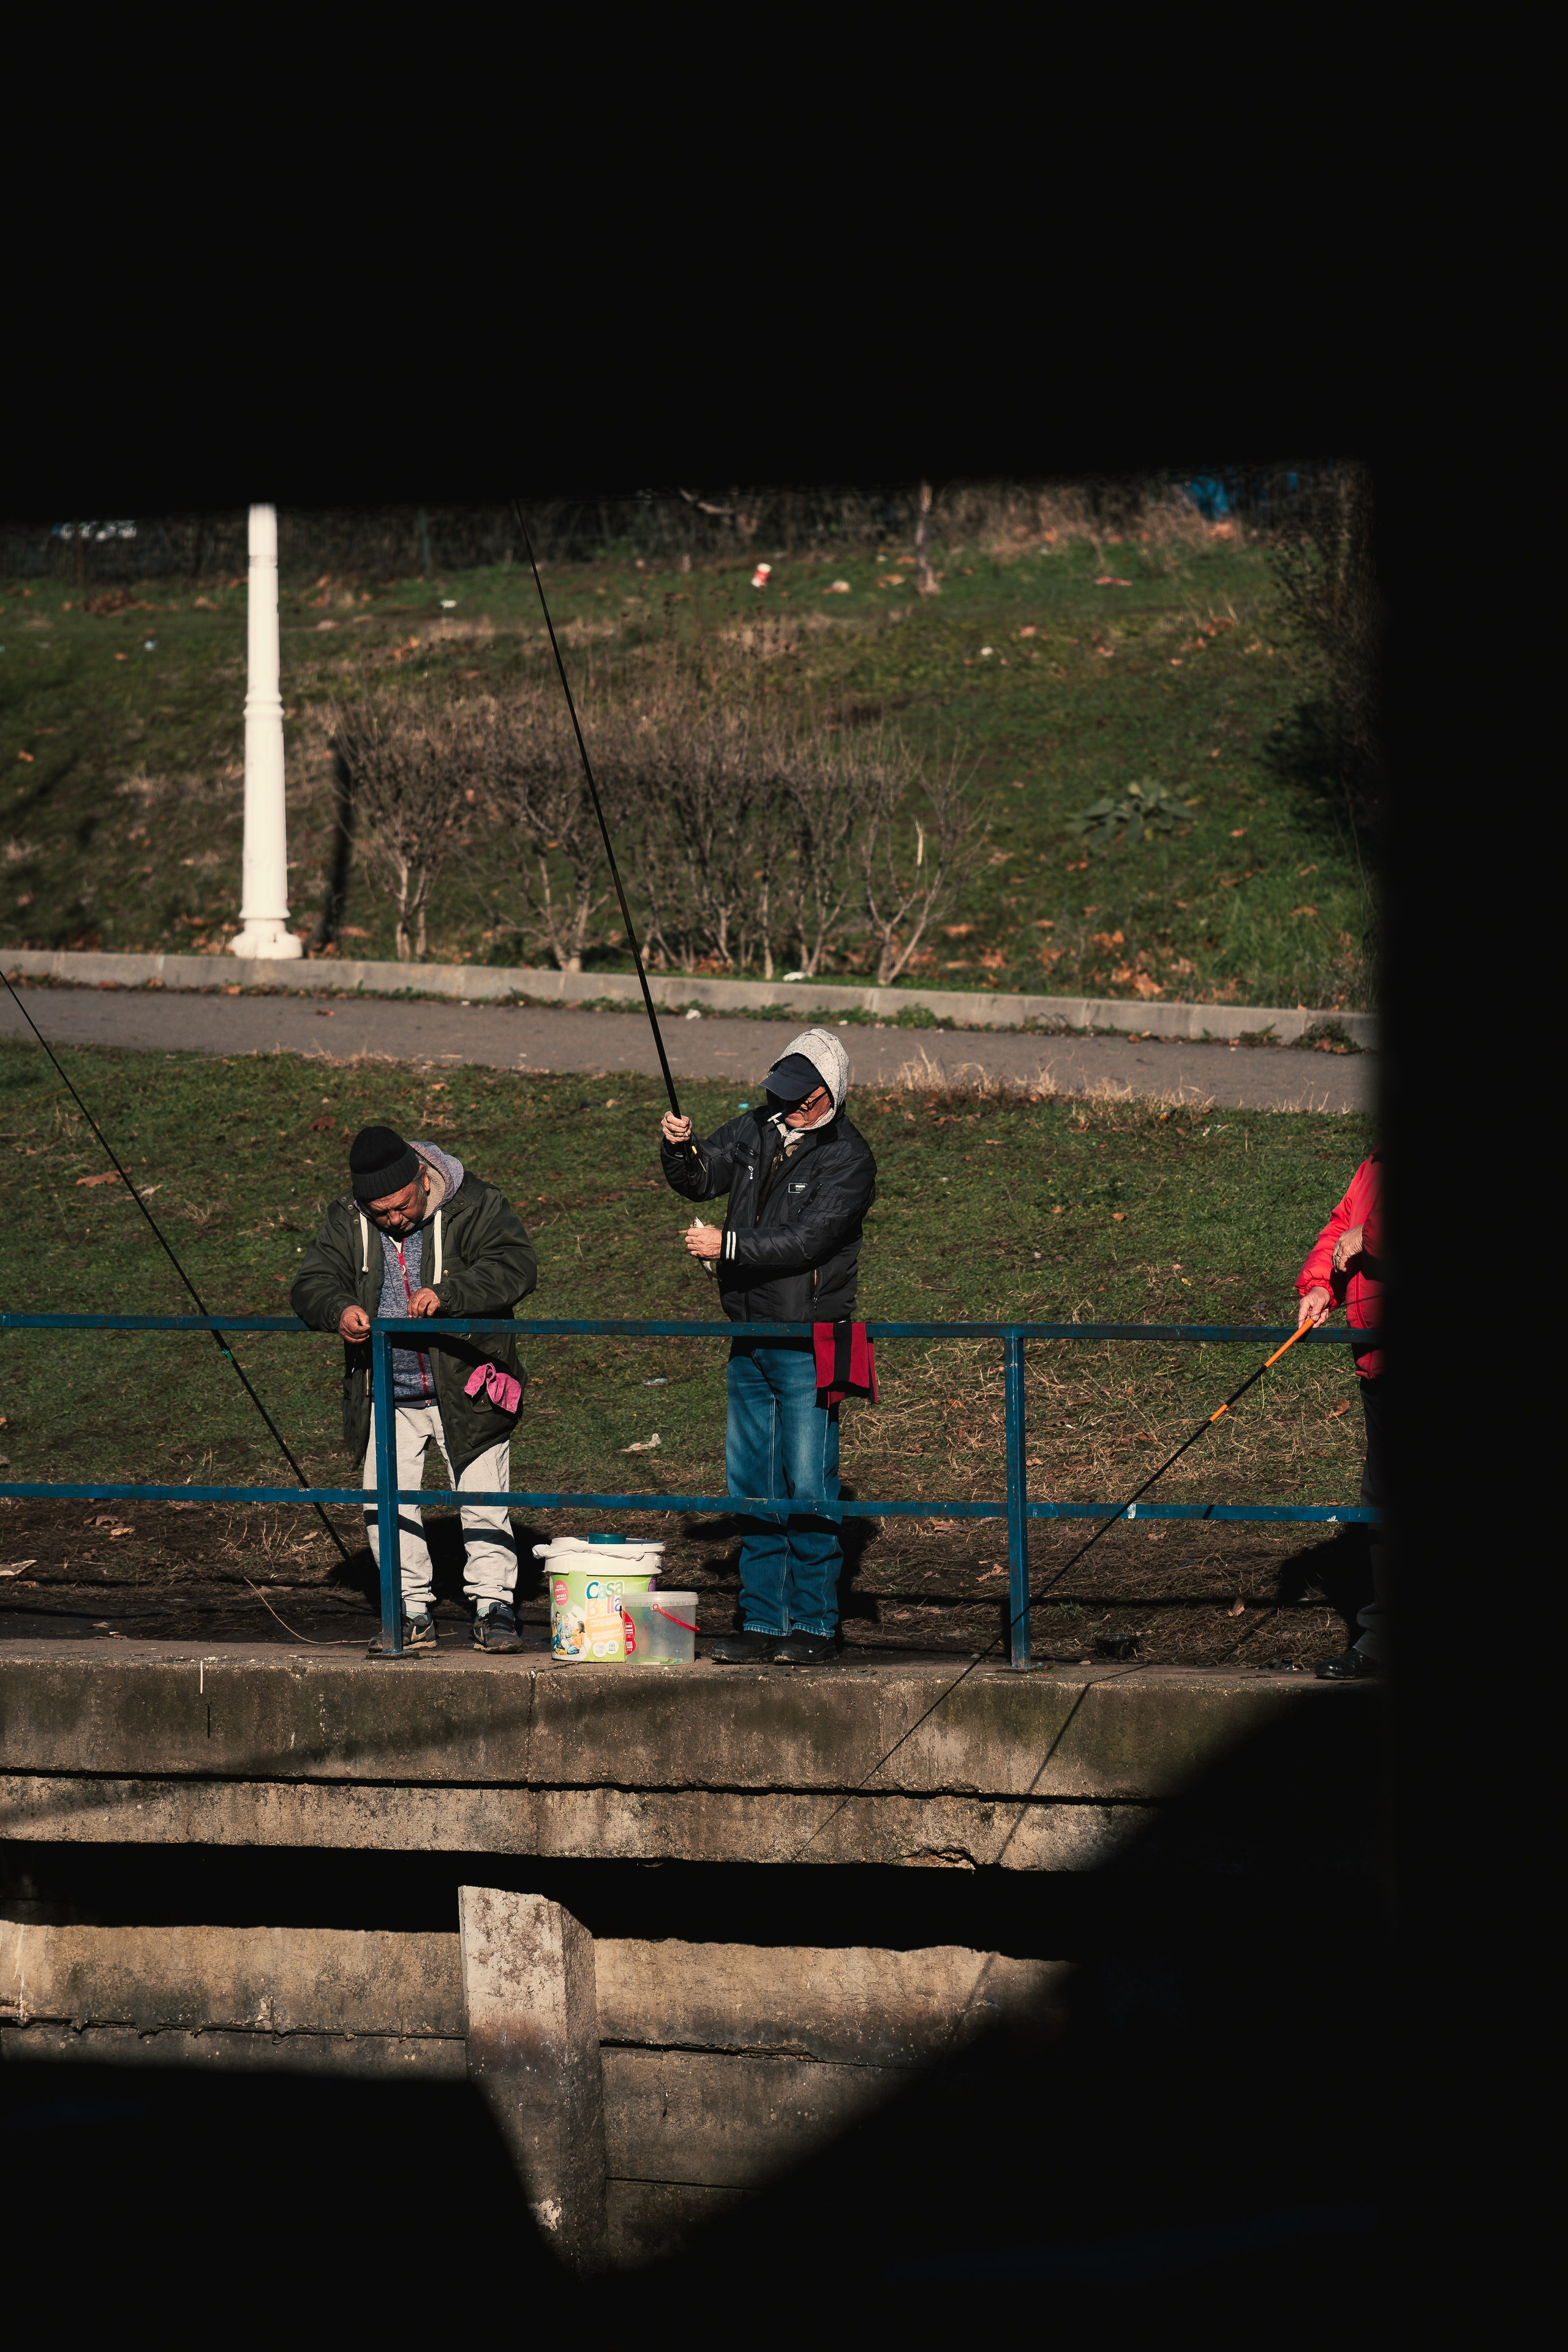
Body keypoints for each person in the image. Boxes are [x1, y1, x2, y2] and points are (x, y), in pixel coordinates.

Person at [660, 1027, 876, 1664]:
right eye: (779, 1094)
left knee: (808, 1484)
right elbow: (701, 1179)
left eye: (799, 1098)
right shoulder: (758, 1126)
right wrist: (680, 1148)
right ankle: (761, 1620)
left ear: (829, 1092)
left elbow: (809, 1241)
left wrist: (726, 1246)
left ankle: (813, 1625)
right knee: (752, 1482)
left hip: (811, 1340)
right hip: (749, 1335)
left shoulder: (849, 1158)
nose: (786, 1107)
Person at [292, 1125, 537, 1655]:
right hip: (385, 1390)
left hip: (469, 1386)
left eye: (401, 1207)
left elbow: (516, 1267)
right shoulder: (347, 1217)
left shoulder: (477, 1203)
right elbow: (311, 1282)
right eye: (380, 1213)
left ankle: (494, 1607)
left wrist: (450, 1294)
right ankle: (409, 1611)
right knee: (387, 1505)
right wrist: (339, 1309)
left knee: (484, 1501)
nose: (394, 1220)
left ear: (423, 1179)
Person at [1295, 1148, 1384, 1678]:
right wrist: (1320, 1284)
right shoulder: (1376, 1164)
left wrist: (1366, 1237)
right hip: (1377, 1361)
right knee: (1383, 1499)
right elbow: (1340, 1226)